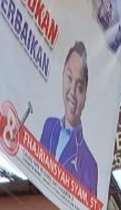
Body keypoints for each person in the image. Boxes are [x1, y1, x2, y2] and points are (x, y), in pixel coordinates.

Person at [38, 42, 98, 196]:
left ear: (85, 96)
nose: (72, 92)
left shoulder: (89, 164)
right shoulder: (49, 127)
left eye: (79, 88)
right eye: (69, 78)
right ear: (62, 76)